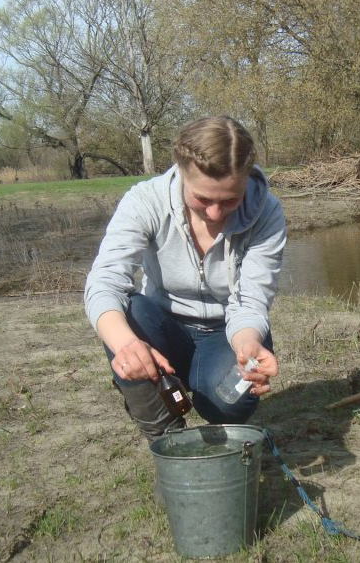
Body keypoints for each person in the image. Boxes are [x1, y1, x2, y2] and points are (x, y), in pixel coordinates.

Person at [84, 116, 286, 444]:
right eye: (203, 199)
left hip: (226, 333)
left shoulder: (267, 213)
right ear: (181, 171)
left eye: (230, 200)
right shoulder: (145, 201)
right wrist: (126, 345)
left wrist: (247, 343)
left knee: (229, 404)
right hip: (162, 327)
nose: (216, 214)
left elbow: (251, 300)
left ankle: (212, 404)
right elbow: (105, 281)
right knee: (127, 315)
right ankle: (166, 438)